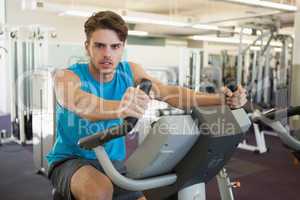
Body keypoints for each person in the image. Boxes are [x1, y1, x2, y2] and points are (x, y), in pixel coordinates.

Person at [47, 10, 247, 200]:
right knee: (100, 191)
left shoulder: (130, 71)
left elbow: (168, 93)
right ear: (87, 46)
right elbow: (78, 101)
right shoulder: (67, 76)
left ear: (122, 47)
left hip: (112, 164)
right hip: (70, 160)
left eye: (114, 46)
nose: (107, 53)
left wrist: (222, 100)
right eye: (99, 45)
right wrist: (120, 107)